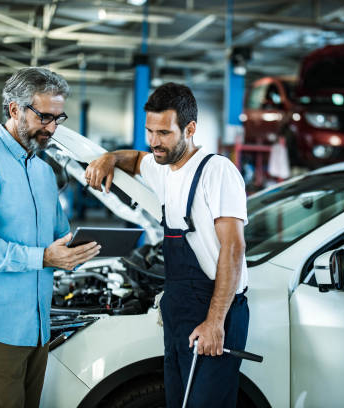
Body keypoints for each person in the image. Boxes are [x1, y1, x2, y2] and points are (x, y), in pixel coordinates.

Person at [85, 82, 249, 407]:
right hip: (178, 312)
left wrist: (215, 322)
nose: (154, 142)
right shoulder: (164, 169)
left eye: (163, 133)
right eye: (150, 131)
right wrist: (108, 158)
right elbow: (134, 159)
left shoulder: (216, 172)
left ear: (190, 129)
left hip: (214, 310)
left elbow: (233, 249)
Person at [0, 67, 101, 408]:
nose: (51, 128)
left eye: (57, 118)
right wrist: (43, 257)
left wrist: (80, 249)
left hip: (36, 328)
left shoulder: (43, 171)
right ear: (14, 109)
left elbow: (58, 235)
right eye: (43, 116)